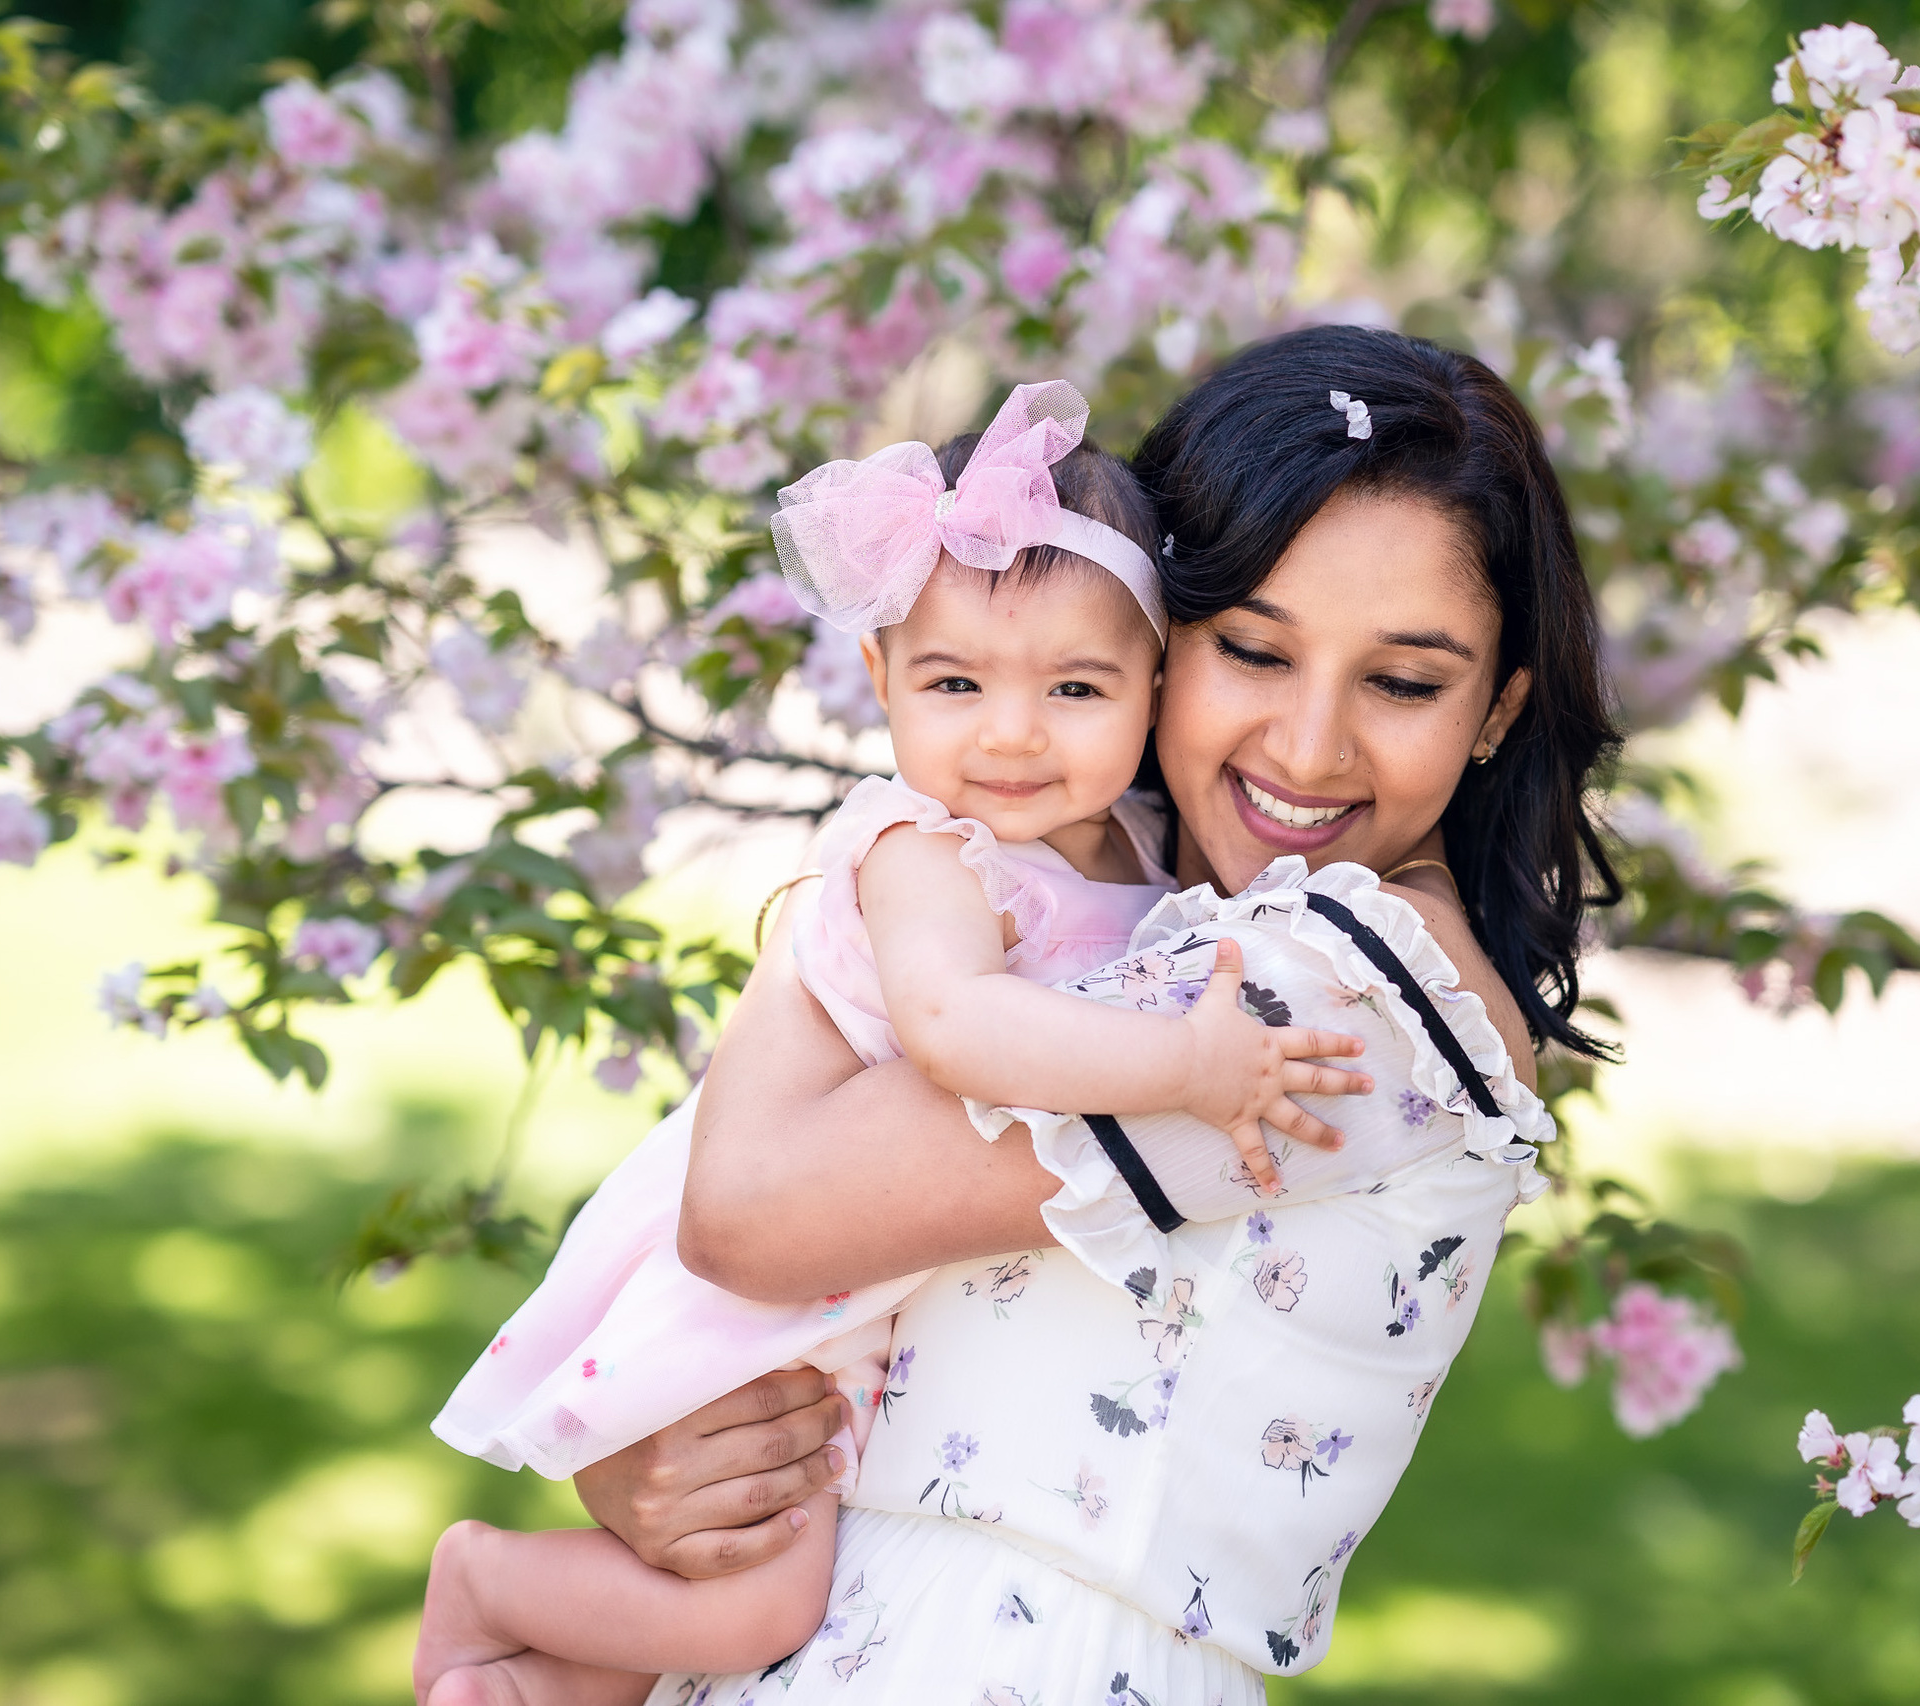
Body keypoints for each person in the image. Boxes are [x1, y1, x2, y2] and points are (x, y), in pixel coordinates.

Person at [557, 325, 1622, 1701]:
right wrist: (652, 1461)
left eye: (1404, 681)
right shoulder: (1098, 924)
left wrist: (873, 865)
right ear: (1156, 643)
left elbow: (750, 1205)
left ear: (1495, 710)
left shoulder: (1344, 993)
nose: (1309, 746)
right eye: (1253, 650)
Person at [413, 381, 1371, 1706]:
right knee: (764, 1589)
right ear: (880, 680)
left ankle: (544, 1686)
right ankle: (483, 1581)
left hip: (871, 1288)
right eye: (954, 681)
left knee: (760, 1565)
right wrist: (1188, 1070)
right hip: (780, 1288)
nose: (1013, 730)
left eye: (1077, 684)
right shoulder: (931, 853)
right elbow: (954, 1025)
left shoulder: (1138, 848)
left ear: (1157, 680)